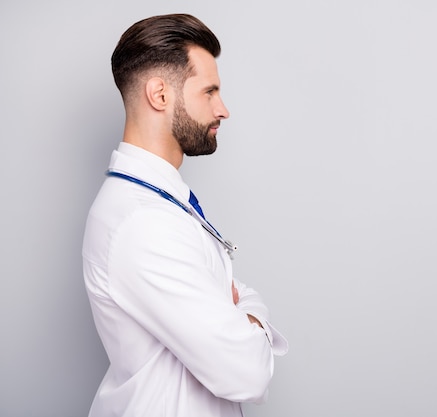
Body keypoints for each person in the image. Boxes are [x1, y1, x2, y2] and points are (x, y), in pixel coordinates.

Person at [82, 13, 288, 417]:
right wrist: (248, 319)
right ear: (160, 95)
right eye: (209, 92)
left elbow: (241, 297)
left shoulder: (160, 204)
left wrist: (240, 315)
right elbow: (247, 372)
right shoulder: (143, 224)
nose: (223, 109)